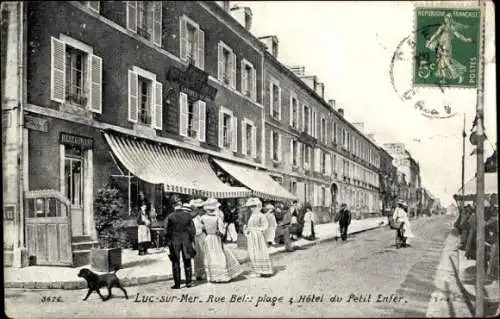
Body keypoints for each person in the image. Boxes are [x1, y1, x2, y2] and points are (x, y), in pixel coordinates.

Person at [201, 198, 243, 283]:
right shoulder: (217, 218)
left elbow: (202, 228)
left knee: (210, 256)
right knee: (219, 255)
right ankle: (221, 275)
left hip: (208, 238)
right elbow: (222, 232)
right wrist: (221, 231)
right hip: (216, 238)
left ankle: (212, 276)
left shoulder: (203, 218)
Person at [164, 203, 196, 289]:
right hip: (186, 240)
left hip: (175, 241)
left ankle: (177, 284)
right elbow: (192, 230)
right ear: (181, 207)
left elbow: (166, 231)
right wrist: (191, 239)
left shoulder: (170, 216)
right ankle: (188, 282)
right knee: (187, 260)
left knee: (175, 261)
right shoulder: (188, 216)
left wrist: (167, 241)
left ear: (174, 207)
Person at [244, 197, 274, 277]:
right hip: (251, 236)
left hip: (257, 236)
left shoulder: (261, 215)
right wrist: (247, 229)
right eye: (250, 207)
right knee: (252, 252)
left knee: (258, 251)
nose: (252, 208)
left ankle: (261, 270)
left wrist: (257, 230)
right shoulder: (251, 216)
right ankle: (256, 270)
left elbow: (265, 225)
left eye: (253, 206)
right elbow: (249, 225)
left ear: (258, 206)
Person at [189, 198, 207, 281]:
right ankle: (199, 273)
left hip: (200, 236)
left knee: (202, 255)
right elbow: (196, 229)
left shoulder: (200, 217)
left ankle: (201, 272)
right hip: (197, 237)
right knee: (198, 255)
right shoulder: (194, 217)